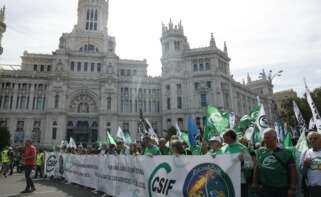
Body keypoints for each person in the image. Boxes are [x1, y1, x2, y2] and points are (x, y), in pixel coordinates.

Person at [252, 128, 296, 197]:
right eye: (264, 138)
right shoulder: (260, 151)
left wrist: (292, 188)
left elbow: (292, 170)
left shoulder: (286, 153)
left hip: (282, 188)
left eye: (267, 138)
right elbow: (257, 167)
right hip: (265, 188)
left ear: (275, 138)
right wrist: (255, 182)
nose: (265, 140)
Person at [216, 129, 253, 197]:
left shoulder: (242, 148)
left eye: (223, 136)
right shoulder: (223, 149)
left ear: (229, 137)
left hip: (240, 181)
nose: (222, 138)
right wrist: (213, 157)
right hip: (226, 182)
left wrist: (242, 162)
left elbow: (251, 165)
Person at [300, 131, 321, 197]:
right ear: (308, 141)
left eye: (315, 138)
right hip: (313, 188)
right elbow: (302, 173)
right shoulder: (305, 153)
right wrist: (305, 166)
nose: (312, 140)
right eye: (310, 138)